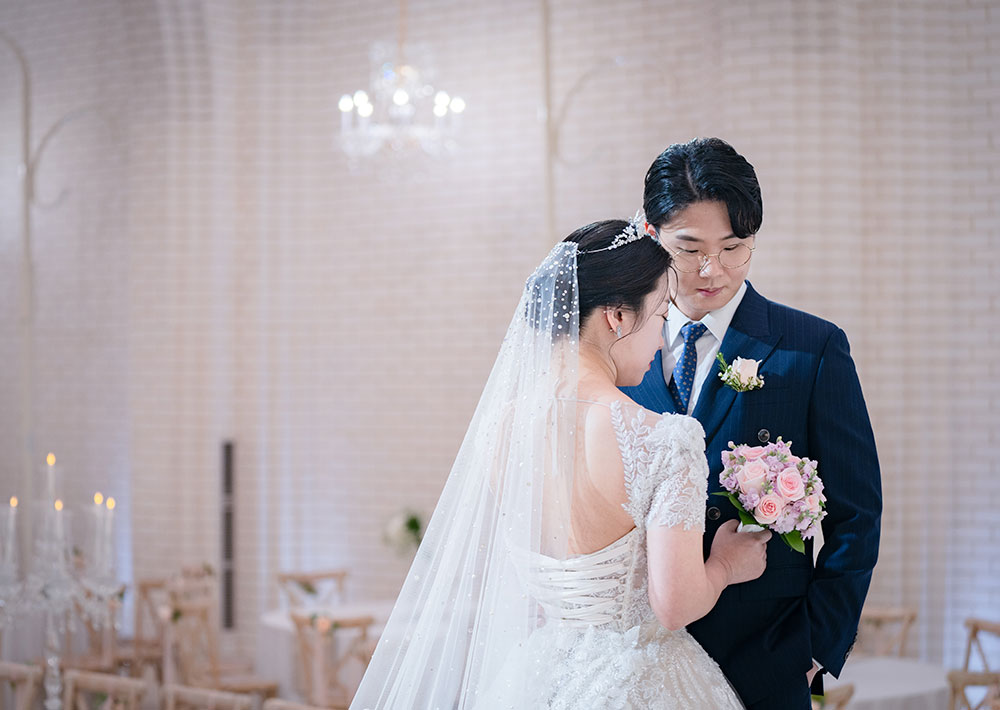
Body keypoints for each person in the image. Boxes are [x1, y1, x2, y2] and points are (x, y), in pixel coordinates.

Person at [351, 217, 770, 709]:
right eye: (661, 315)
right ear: (618, 316)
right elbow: (674, 606)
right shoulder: (664, 438)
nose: (661, 340)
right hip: (639, 682)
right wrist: (725, 565)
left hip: (541, 675)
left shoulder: (499, 428)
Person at [622, 137, 882, 709]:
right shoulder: (617, 349)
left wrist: (814, 646)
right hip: (642, 656)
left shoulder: (810, 348)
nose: (712, 270)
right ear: (650, 234)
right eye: (689, 248)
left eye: (733, 247)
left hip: (764, 655)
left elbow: (857, 514)